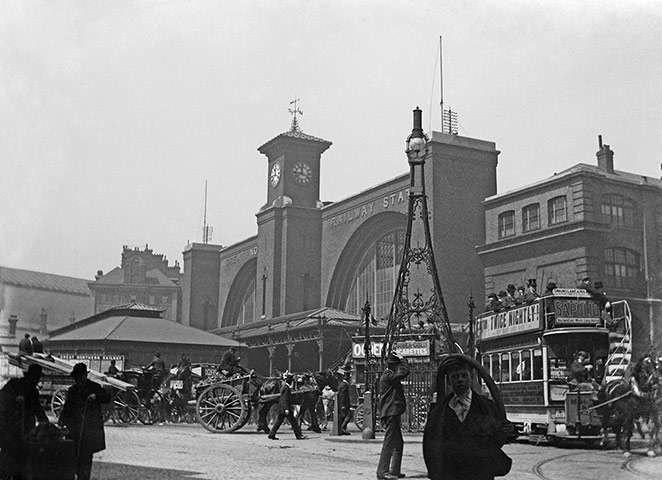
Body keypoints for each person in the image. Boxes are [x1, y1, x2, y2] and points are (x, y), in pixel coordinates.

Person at [423, 355, 515, 480]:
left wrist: (508, 431)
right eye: (455, 377)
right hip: (451, 474)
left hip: (479, 473)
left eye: (464, 375)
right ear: (449, 381)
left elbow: (497, 438)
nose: (460, 380)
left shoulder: (486, 407)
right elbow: (431, 444)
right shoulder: (440, 412)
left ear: (471, 377)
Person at [59, 363, 111, 480]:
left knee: (86, 458)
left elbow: (107, 397)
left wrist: (96, 396)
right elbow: (67, 408)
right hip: (74, 431)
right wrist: (62, 420)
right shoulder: (73, 390)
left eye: (80, 377)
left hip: (88, 431)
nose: (78, 380)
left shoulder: (94, 387)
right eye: (76, 378)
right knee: (73, 457)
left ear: (84, 376)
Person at [0, 364, 49, 479]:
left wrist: (45, 422)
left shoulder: (33, 391)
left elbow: (37, 408)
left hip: (25, 430)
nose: (37, 380)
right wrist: (14, 399)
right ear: (31, 376)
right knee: (8, 456)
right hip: (9, 429)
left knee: (21, 458)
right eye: (35, 377)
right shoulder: (14, 384)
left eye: (38, 378)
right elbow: (2, 397)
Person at [376, 352, 410, 480]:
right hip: (391, 413)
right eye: (397, 365)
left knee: (398, 443)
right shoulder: (388, 376)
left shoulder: (389, 375)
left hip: (393, 412)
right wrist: (404, 360)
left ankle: (395, 470)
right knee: (389, 442)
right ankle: (382, 471)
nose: (398, 368)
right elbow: (405, 372)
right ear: (394, 366)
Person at [267, 373, 307, 440]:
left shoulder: (285, 387)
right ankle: (299, 435)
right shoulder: (286, 388)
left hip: (282, 408)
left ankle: (271, 434)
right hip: (285, 409)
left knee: (278, 422)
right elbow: (284, 400)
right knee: (293, 422)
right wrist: (286, 409)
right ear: (291, 381)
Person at [335, 368, 351, 435]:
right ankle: (342, 428)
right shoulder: (344, 385)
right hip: (344, 404)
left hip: (342, 404)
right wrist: (343, 405)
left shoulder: (341, 384)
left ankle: (342, 429)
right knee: (349, 416)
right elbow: (343, 396)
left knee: (343, 417)